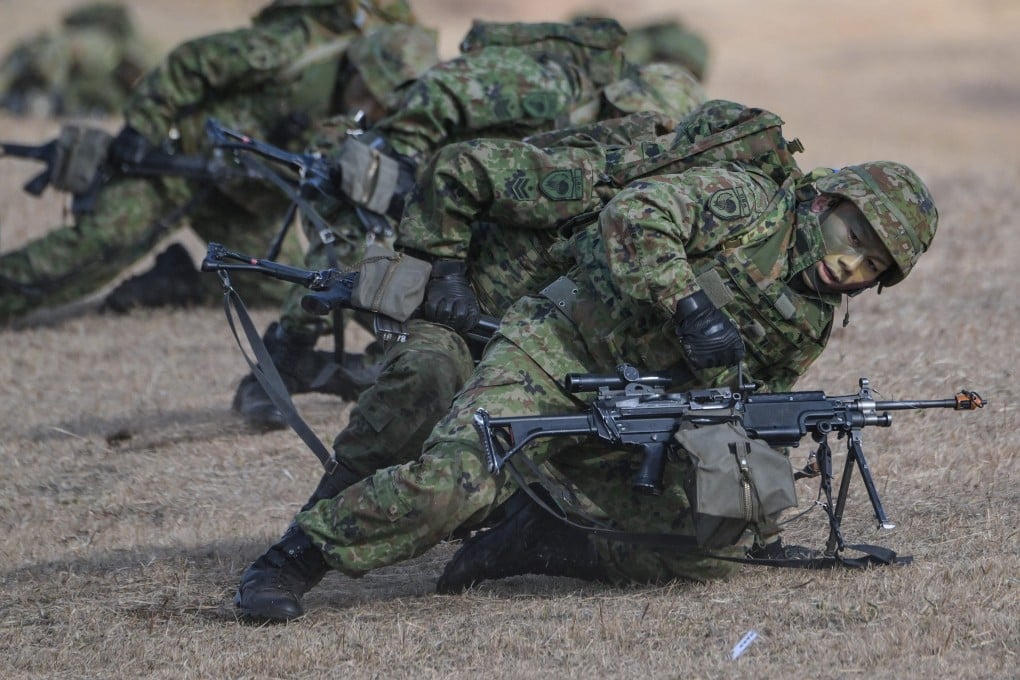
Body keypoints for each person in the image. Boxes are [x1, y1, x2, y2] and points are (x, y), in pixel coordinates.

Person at [231, 137, 938, 621]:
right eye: (855, 240)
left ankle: (541, 537)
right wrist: (686, 303)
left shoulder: (811, 317)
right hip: (551, 353)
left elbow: (738, 392)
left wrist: (748, 434)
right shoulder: (746, 201)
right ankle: (296, 555)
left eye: (874, 265)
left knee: (724, 536)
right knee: (456, 482)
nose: (853, 267)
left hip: (640, 415)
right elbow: (633, 216)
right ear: (826, 204)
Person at [230, 16, 708, 429]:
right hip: (381, 176)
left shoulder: (600, 140)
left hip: (453, 193)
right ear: (625, 104)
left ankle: (373, 370)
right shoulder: (543, 87)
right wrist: (402, 174)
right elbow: (441, 94)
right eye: (648, 129)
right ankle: (281, 359)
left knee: (434, 332)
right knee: (364, 261)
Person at [0, 0, 430, 325]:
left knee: (292, 284)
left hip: (243, 200)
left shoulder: (381, 108)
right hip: (180, 165)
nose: (371, 105)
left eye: (383, 100)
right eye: (368, 91)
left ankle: (181, 280)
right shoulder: (291, 50)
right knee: (92, 250)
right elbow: (194, 60)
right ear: (360, 64)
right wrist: (143, 127)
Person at [0, 2, 158, 117]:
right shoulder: (109, 50)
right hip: (44, 60)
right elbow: (64, 50)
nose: (134, 80)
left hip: (45, 82)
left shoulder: (113, 94)